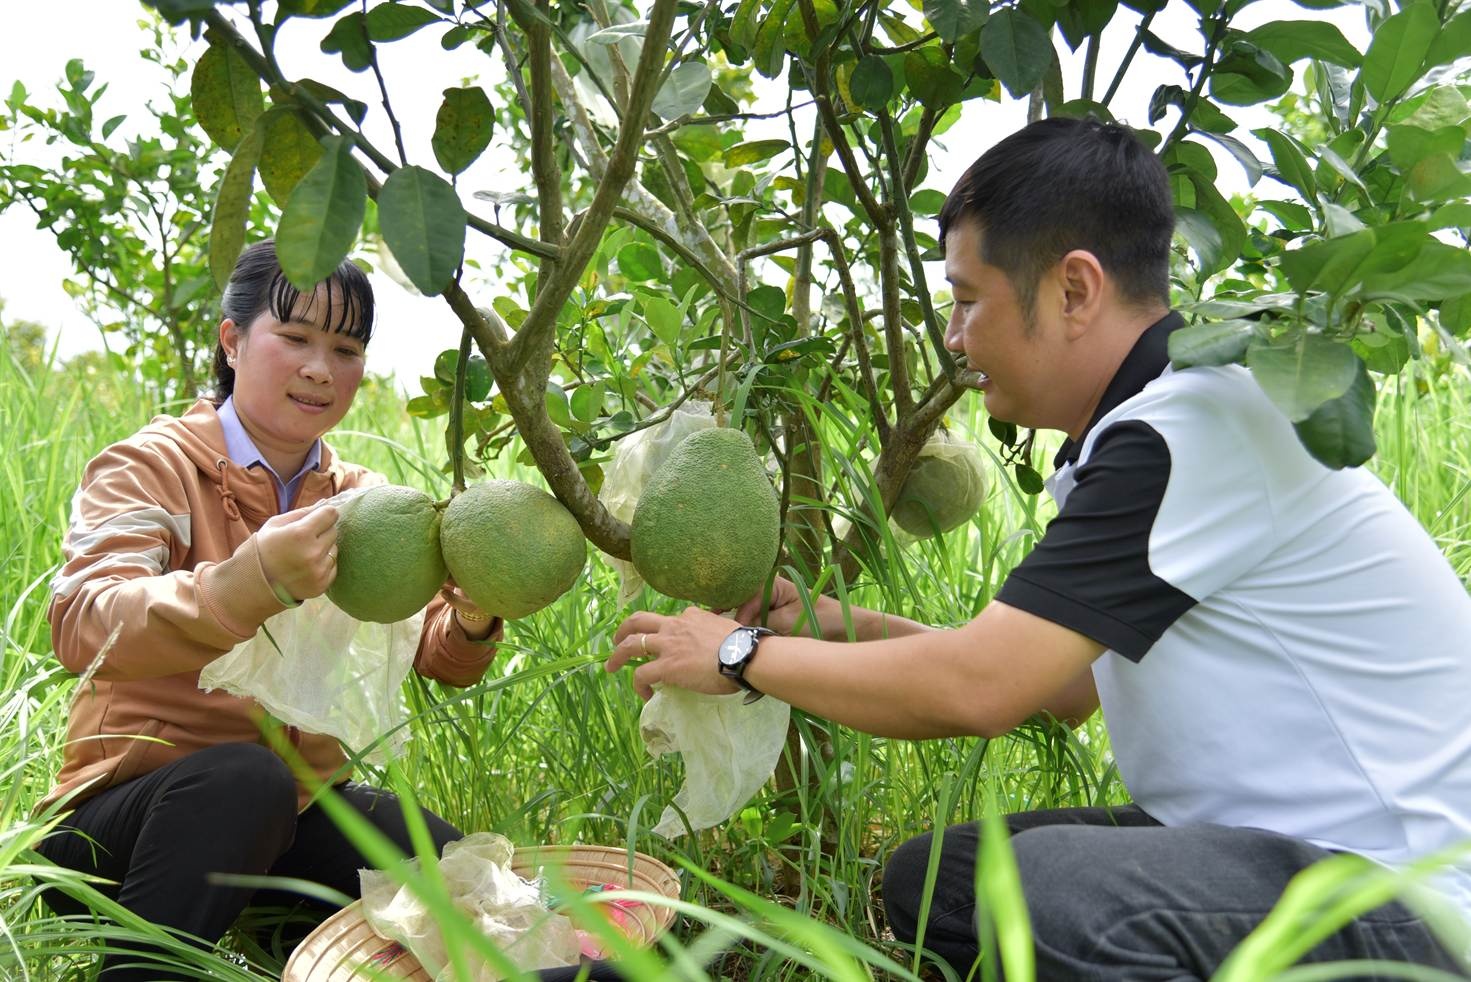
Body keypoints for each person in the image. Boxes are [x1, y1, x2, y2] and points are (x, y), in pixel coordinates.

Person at [608, 118, 1471, 978]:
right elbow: (1059, 689)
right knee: (938, 884)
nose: (953, 336)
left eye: (967, 299)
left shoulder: (1189, 430)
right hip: (1272, 847)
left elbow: (979, 689)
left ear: (1072, 290)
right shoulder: (1154, 423)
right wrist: (830, 625)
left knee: (1051, 887)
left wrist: (735, 654)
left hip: (1411, 890)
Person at [36, 240, 504, 980]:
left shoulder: (360, 498)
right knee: (242, 782)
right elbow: (83, 620)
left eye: (346, 348)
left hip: (291, 815)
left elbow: (434, 652)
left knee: (472, 889)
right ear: (232, 338)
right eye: (295, 338)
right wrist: (246, 584)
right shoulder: (151, 466)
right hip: (123, 824)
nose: (321, 367)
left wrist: (474, 616)